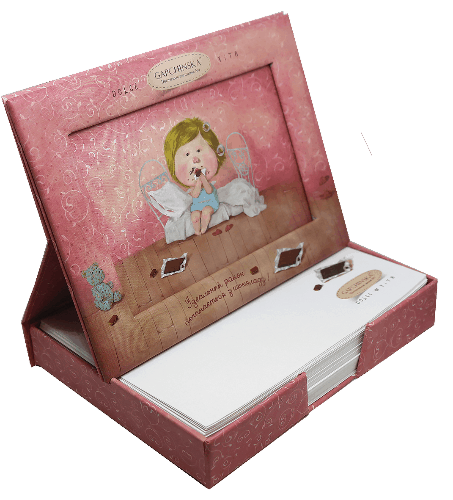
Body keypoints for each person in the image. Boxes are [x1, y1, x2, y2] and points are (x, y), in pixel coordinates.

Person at [164, 118, 226, 235]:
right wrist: (198, 182)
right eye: (187, 154)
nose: (195, 159)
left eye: (198, 150)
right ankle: (197, 231)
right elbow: (196, 194)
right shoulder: (194, 187)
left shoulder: (206, 183)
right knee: (194, 216)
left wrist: (203, 179)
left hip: (210, 203)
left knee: (206, 212)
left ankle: (204, 228)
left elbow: (209, 190)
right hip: (198, 205)